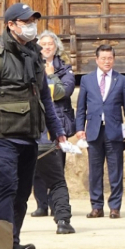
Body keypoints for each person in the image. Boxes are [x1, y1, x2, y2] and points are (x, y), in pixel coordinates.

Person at [0, 3, 67, 249]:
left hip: (31, 136)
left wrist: (58, 130)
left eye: (32, 21)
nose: (31, 26)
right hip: (4, 136)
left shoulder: (34, 54)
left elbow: (44, 96)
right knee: (7, 187)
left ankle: (13, 241)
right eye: (25, 22)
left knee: (23, 192)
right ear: (11, 25)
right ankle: (2, 241)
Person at [76, 44, 125, 219]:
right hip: (93, 131)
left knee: (115, 170)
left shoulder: (121, 80)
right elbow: (81, 107)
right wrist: (79, 128)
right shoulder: (87, 80)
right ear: (96, 60)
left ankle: (115, 207)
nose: (106, 61)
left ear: (114, 60)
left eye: (110, 58)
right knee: (95, 171)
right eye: (103, 58)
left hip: (114, 130)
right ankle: (96, 206)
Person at [31, 30, 77, 234]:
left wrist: (50, 74)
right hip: (34, 129)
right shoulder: (33, 67)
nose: (47, 47)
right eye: (43, 44)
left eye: (50, 44)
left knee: (56, 174)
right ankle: (43, 205)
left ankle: (61, 217)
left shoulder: (63, 68)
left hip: (52, 128)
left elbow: (62, 93)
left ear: (56, 47)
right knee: (34, 173)